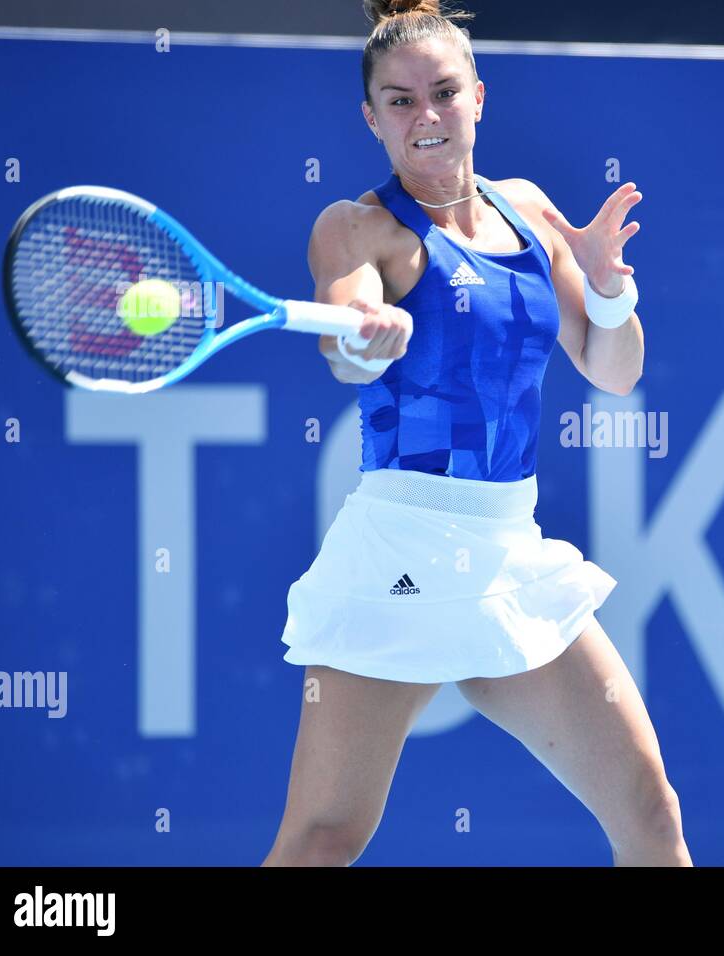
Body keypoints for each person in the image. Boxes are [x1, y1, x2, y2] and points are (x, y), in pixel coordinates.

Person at [262, 0, 692, 866]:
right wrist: (361, 333)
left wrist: (609, 291)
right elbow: (347, 338)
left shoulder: (530, 214)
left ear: (480, 98)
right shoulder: (355, 228)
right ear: (371, 117)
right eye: (400, 100)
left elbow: (614, 369)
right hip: (401, 554)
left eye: (444, 93)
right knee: (322, 840)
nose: (426, 116)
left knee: (651, 814)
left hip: (507, 553)